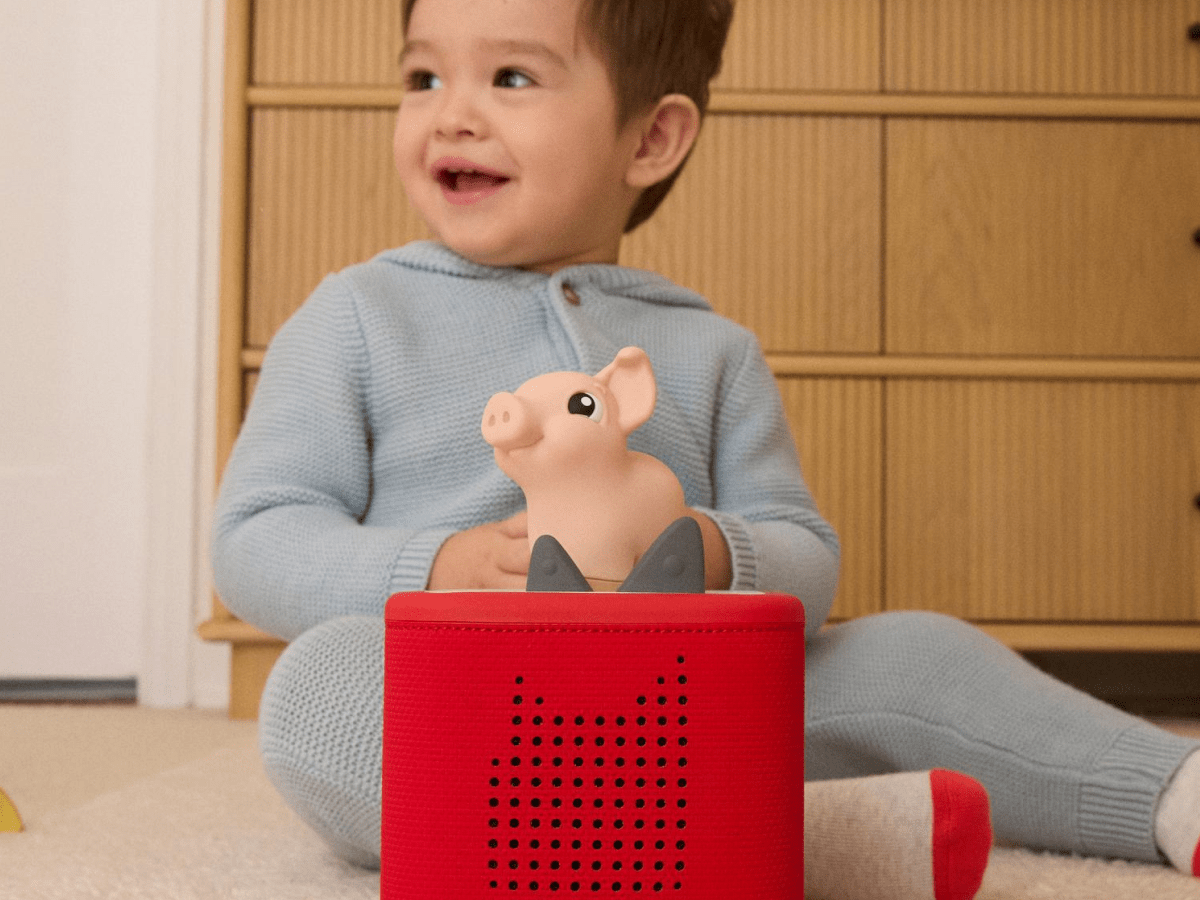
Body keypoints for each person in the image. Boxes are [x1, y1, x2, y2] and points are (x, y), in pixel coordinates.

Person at [211, 0, 1200, 896]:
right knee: (317, 689)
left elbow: (805, 554)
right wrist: (437, 567)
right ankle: (776, 840)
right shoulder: (356, 317)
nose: (451, 114)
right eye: (423, 77)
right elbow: (257, 536)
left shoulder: (710, 349)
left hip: (692, 702)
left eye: (509, 78)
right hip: (475, 705)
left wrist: (713, 548)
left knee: (914, 654)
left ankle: (1170, 794)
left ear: (652, 137)